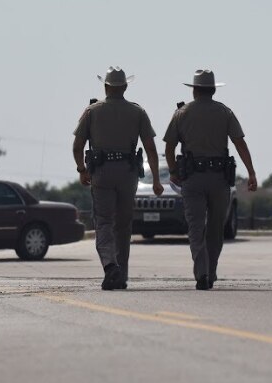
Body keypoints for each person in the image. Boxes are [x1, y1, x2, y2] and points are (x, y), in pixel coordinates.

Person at [164, 69, 258, 290]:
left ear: (194, 90)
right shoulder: (225, 112)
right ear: (213, 90)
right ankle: (211, 271)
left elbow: (169, 147)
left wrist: (174, 171)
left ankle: (202, 273)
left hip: (192, 179)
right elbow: (239, 143)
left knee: (196, 227)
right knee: (216, 229)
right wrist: (251, 172)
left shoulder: (181, 114)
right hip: (219, 179)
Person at [73, 67, 163, 290]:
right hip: (127, 173)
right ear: (124, 87)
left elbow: (77, 145)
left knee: (104, 222)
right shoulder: (137, 112)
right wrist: (156, 180)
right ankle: (121, 275)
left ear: (106, 86)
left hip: (102, 173)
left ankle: (110, 265)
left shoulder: (92, 111)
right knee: (123, 225)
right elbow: (151, 148)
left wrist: (82, 169)